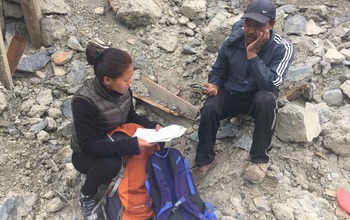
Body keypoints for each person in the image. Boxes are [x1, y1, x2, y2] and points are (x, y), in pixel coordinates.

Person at [191, 0, 295, 185]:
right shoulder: (233, 39)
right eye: (248, 24)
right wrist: (214, 84)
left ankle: (259, 160)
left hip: (257, 97)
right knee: (209, 108)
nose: (251, 31)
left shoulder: (282, 47)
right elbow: (219, 69)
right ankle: (205, 161)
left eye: (259, 25)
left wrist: (252, 54)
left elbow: (270, 84)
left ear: (271, 25)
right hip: (231, 93)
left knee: (267, 100)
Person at [70, 45, 163, 219]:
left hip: (113, 138)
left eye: (131, 78)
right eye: (126, 80)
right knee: (111, 164)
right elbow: (89, 146)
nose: (130, 83)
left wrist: (154, 127)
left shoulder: (124, 90)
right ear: (107, 80)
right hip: (86, 154)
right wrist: (130, 145)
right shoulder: (84, 101)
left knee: (157, 142)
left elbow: (130, 116)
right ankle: (87, 193)